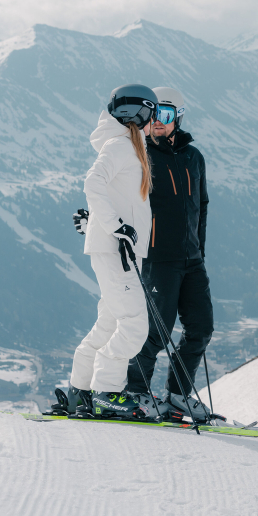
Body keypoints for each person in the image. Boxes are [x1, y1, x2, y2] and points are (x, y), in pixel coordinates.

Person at [55, 84, 156, 419]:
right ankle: (107, 394)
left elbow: (112, 193)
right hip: (116, 250)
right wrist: (115, 227)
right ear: (137, 112)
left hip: (117, 249)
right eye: (150, 111)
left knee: (110, 322)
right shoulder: (120, 146)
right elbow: (92, 182)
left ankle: (79, 393)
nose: (152, 119)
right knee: (134, 324)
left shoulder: (126, 146)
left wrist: (103, 222)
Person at [122, 86, 215, 421]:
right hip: (158, 260)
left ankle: (177, 393)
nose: (157, 123)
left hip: (192, 261)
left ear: (177, 117)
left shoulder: (194, 158)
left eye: (165, 115)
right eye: (152, 116)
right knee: (154, 333)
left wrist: (199, 252)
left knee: (202, 329)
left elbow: (201, 208)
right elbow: (122, 200)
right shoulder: (140, 156)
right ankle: (134, 394)